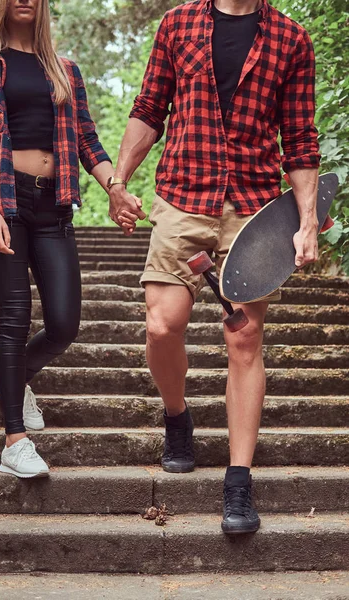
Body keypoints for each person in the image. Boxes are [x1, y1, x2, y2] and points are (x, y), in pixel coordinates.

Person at [109, 0, 320, 533]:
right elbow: (149, 106)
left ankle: (238, 481)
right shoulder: (178, 23)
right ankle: (178, 415)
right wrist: (119, 182)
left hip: (253, 208)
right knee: (162, 324)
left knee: (244, 338)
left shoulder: (291, 38)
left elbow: (299, 137)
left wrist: (308, 220)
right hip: (183, 194)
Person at [0, 0, 120, 478]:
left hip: (54, 204)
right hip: (3, 202)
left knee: (65, 324)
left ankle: (13, 378)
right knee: (14, 315)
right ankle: (15, 441)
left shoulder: (64, 68)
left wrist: (115, 188)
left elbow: (88, 139)